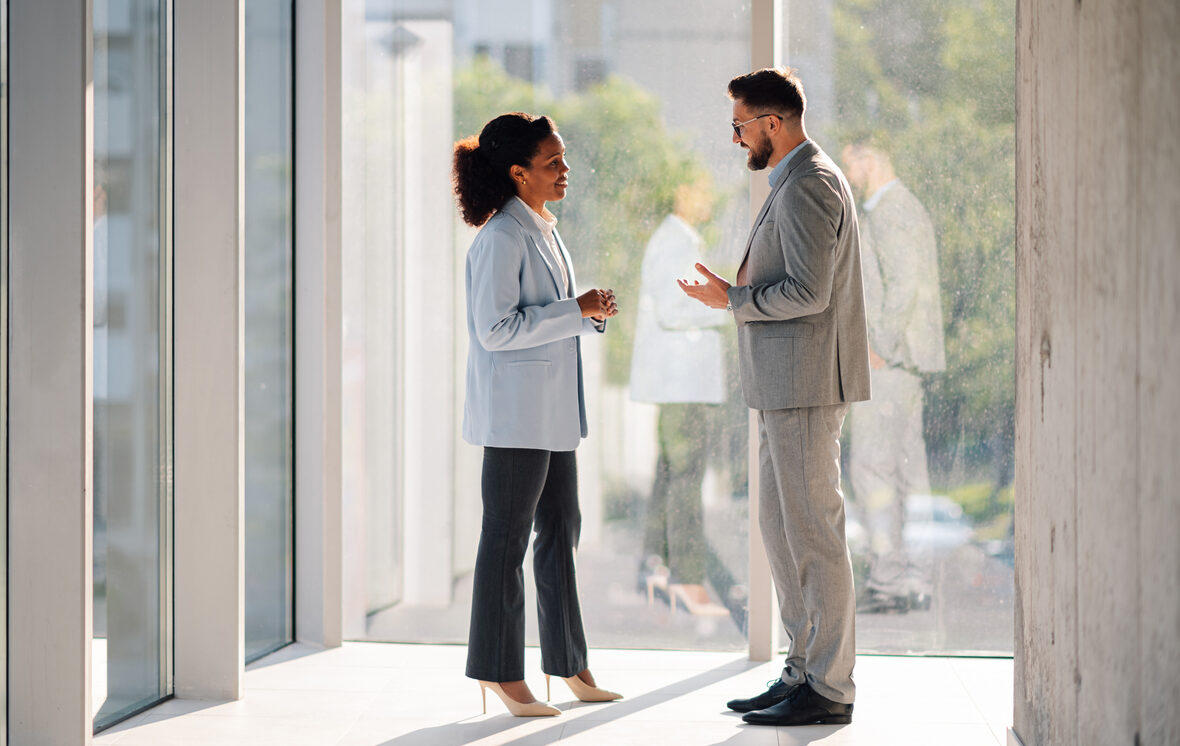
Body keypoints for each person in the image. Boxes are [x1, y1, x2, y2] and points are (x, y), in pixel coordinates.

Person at [679, 68, 870, 726]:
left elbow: (810, 294)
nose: (736, 138)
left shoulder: (810, 183)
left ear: (772, 123)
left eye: (740, 125)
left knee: (814, 533)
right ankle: (801, 668)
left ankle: (829, 685)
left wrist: (732, 300)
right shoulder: (793, 179)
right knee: (783, 531)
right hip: (783, 388)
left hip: (806, 388)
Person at [454, 112, 622, 718]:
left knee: (560, 533)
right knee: (505, 542)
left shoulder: (544, 229)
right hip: (516, 418)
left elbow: (554, 314)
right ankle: (500, 674)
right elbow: (495, 331)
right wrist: (573, 309)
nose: (564, 170)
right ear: (518, 173)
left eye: (563, 158)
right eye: (552, 164)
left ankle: (567, 662)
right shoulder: (500, 238)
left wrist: (588, 312)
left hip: (552, 416)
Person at [840, 138, 946, 613]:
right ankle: (913, 581)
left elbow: (902, 284)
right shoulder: (905, 208)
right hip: (906, 362)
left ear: (870, 158)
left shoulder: (890, 211)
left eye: (851, 163)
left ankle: (888, 582)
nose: (850, 174)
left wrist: (877, 345)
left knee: (871, 467)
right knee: (908, 471)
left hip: (891, 360)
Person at [630, 175, 731, 616]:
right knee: (686, 480)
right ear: (681, 193)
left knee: (670, 475)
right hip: (683, 383)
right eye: (702, 189)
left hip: (678, 384)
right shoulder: (675, 242)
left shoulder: (675, 239)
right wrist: (729, 305)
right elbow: (674, 307)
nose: (710, 198)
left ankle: (655, 568)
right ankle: (689, 580)